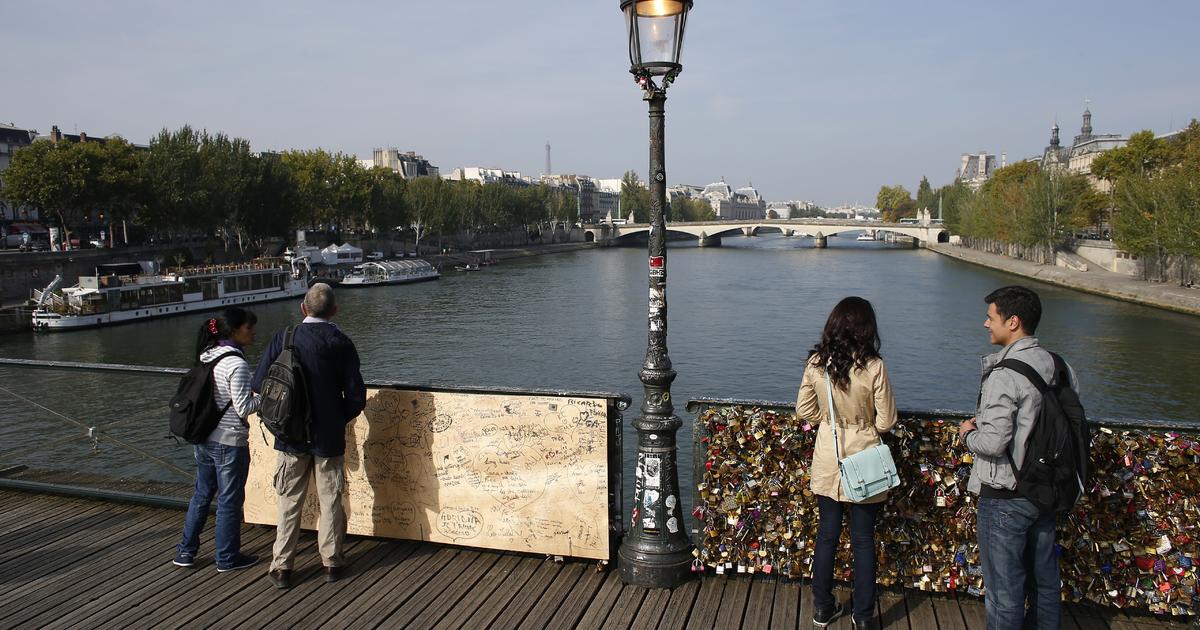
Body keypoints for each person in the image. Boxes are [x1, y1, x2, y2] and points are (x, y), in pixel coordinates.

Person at [958, 285, 1077, 630]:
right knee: (1044, 583)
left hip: (1006, 493)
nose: (985, 324)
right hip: (1047, 487)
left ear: (1012, 322)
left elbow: (993, 443)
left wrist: (967, 433)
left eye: (990, 317)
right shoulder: (1060, 365)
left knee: (1004, 591)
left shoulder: (1005, 373)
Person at [252, 283, 366, 589]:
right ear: (334, 311)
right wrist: (335, 416)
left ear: (303, 308)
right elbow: (356, 396)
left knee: (289, 501)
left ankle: (282, 566)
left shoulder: (284, 337)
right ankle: (331, 561)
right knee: (330, 499)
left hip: (289, 434)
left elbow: (260, 383)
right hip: (328, 437)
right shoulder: (341, 342)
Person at [795, 297, 898, 629]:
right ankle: (864, 615)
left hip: (829, 454)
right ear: (867, 328)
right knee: (863, 539)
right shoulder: (873, 367)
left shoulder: (816, 363)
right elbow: (886, 421)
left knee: (827, 535)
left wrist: (829, 420)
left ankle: (823, 607)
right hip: (865, 454)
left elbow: (804, 411)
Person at [174, 307, 261, 572]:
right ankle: (227, 557)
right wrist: (267, 395)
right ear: (235, 331)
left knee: (201, 494)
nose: (253, 332)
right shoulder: (236, 363)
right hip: (228, 440)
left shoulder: (207, 355)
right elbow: (244, 408)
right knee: (229, 500)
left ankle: (185, 552)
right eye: (249, 327)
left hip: (204, 437)